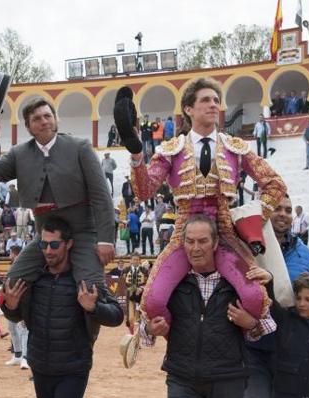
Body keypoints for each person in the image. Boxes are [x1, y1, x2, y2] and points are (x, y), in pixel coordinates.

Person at [120, 77, 286, 326]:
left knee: (255, 299)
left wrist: (252, 218)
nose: (213, 105)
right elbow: (144, 191)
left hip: (224, 232)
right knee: (152, 302)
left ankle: (236, 341)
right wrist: (136, 156)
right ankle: (176, 335)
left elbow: (275, 184)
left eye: (216, 101)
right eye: (206, 100)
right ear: (188, 109)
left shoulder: (235, 147)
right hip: (183, 234)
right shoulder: (171, 149)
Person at [145, 215, 275, 398]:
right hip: (182, 375)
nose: (196, 248)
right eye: (190, 241)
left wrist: (251, 323)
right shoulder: (172, 282)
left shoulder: (238, 279)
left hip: (227, 376)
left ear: (215, 243)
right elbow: (146, 330)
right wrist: (150, 330)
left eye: (202, 241)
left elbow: (268, 325)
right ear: (182, 243)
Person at [0, 217, 123, 398]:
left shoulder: (84, 281)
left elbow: (116, 316)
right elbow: (15, 317)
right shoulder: (34, 279)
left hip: (73, 370)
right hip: (41, 368)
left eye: (54, 245)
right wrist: (11, 306)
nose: (48, 250)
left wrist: (93, 308)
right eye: (44, 245)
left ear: (68, 244)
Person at [0, 98, 115, 303]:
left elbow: (101, 195)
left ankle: (84, 335)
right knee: (12, 284)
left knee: (91, 290)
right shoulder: (19, 153)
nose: (44, 121)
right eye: (37, 118)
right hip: (45, 237)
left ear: (55, 119)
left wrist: (105, 240)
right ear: (28, 126)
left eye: (48, 116)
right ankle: (35, 330)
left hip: (82, 231)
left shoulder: (80, 147)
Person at [242, 195, 309, 398]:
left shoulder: (304, 254)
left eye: (287, 209)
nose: (283, 214)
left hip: (290, 349)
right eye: (276, 209)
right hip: (252, 346)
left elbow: (304, 297)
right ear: (264, 212)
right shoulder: (243, 247)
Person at [124, 253, 146, 333]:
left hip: (140, 295)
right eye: (134, 259)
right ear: (130, 261)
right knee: (130, 318)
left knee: (140, 318)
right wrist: (131, 288)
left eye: (137, 260)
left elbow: (147, 282)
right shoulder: (126, 270)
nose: (135, 261)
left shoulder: (144, 270)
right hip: (130, 295)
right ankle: (132, 335)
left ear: (140, 261)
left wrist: (140, 288)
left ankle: (138, 338)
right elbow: (122, 282)